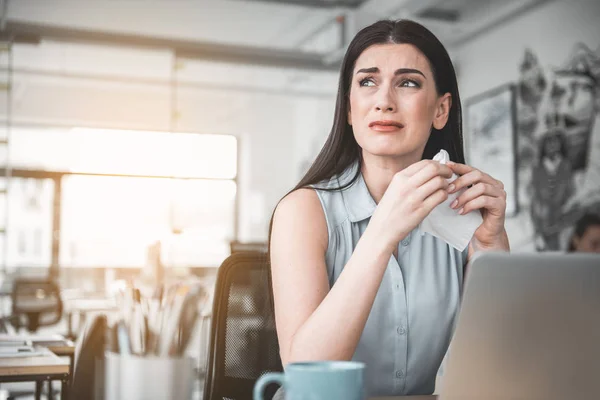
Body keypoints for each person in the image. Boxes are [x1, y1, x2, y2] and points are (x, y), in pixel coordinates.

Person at [269, 19, 509, 397]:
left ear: (441, 110)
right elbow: (306, 380)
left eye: (408, 82)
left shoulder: (462, 213)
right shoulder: (302, 211)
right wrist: (382, 232)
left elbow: (502, 365)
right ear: (349, 109)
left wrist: (493, 247)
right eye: (367, 82)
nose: (384, 100)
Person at [530, 130, 575, 251]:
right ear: (543, 146)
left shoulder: (566, 166)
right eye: (548, 142)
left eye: (555, 141)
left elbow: (571, 191)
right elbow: (534, 196)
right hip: (543, 219)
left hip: (562, 218)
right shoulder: (537, 168)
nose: (552, 145)